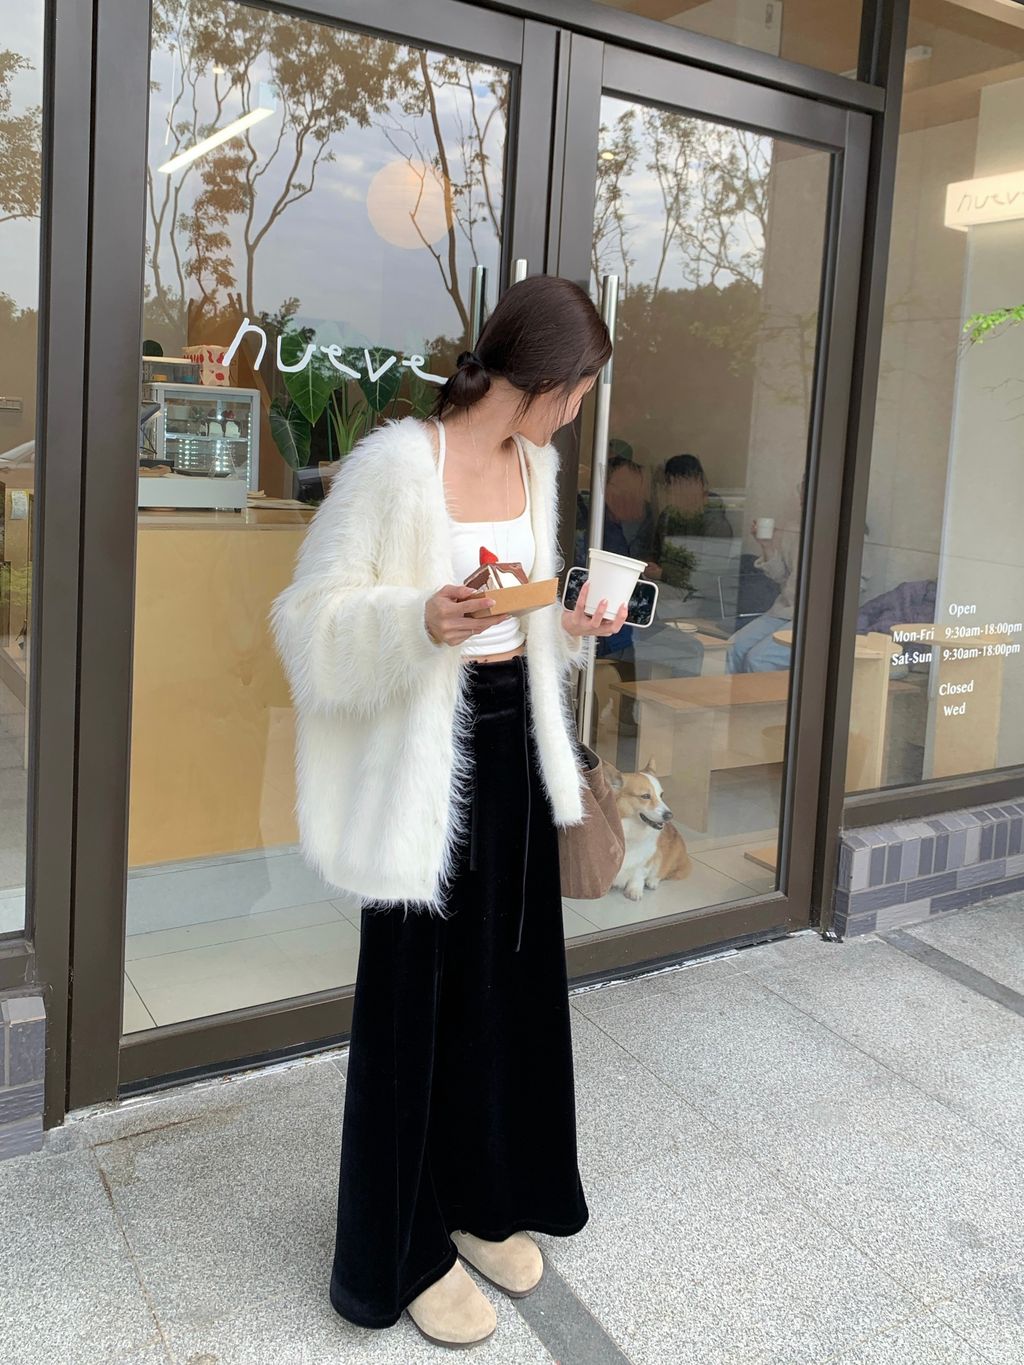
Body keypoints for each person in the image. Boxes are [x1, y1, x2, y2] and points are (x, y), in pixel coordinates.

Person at [270, 276, 627, 1349]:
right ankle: (406, 1248)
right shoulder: (396, 465)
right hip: (422, 761)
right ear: (539, 379)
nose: (578, 411)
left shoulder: (535, 464)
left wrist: (570, 622)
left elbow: (522, 614)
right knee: (411, 1007)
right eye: (578, 390)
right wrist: (415, 619)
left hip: (514, 743)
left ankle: (480, 1193)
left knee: (501, 987)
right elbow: (308, 618)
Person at [726, 480, 803, 673]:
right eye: (802, 490)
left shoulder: (848, 534)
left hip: (814, 619)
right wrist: (766, 545)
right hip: (783, 610)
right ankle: (731, 693)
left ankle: (755, 694)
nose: (803, 497)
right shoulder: (795, 529)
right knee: (732, 647)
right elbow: (781, 576)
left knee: (758, 660)